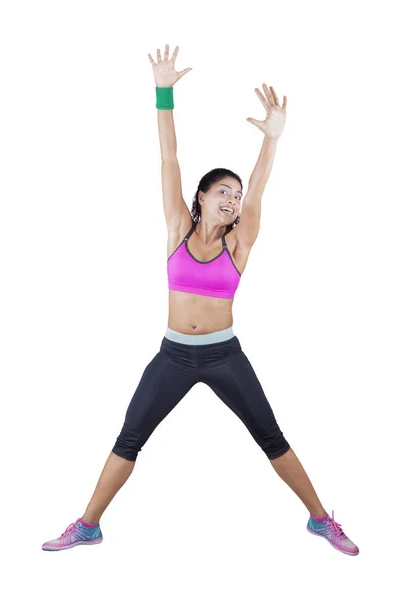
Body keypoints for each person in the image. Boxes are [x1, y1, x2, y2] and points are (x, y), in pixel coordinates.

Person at [42, 44, 359, 556]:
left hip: (223, 355)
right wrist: (163, 92)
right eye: (224, 192)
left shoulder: (240, 243)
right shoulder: (176, 230)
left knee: (271, 437)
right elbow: (169, 157)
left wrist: (272, 140)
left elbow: (259, 189)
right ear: (203, 196)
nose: (233, 199)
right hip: (172, 356)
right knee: (129, 439)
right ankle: (88, 525)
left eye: (235, 196)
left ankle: (321, 520)